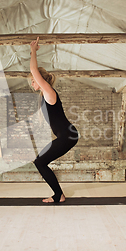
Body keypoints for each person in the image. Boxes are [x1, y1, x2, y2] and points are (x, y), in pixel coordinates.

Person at [29, 37, 79, 203]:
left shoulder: (50, 92)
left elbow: (34, 69)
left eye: (33, 79)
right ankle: (59, 194)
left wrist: (33, 52)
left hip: (68, 135)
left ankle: (59, 195)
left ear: (41, 80)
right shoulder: (45, 97)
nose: (32, 81)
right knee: (40, 161)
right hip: (65, 135)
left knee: (40, 162)